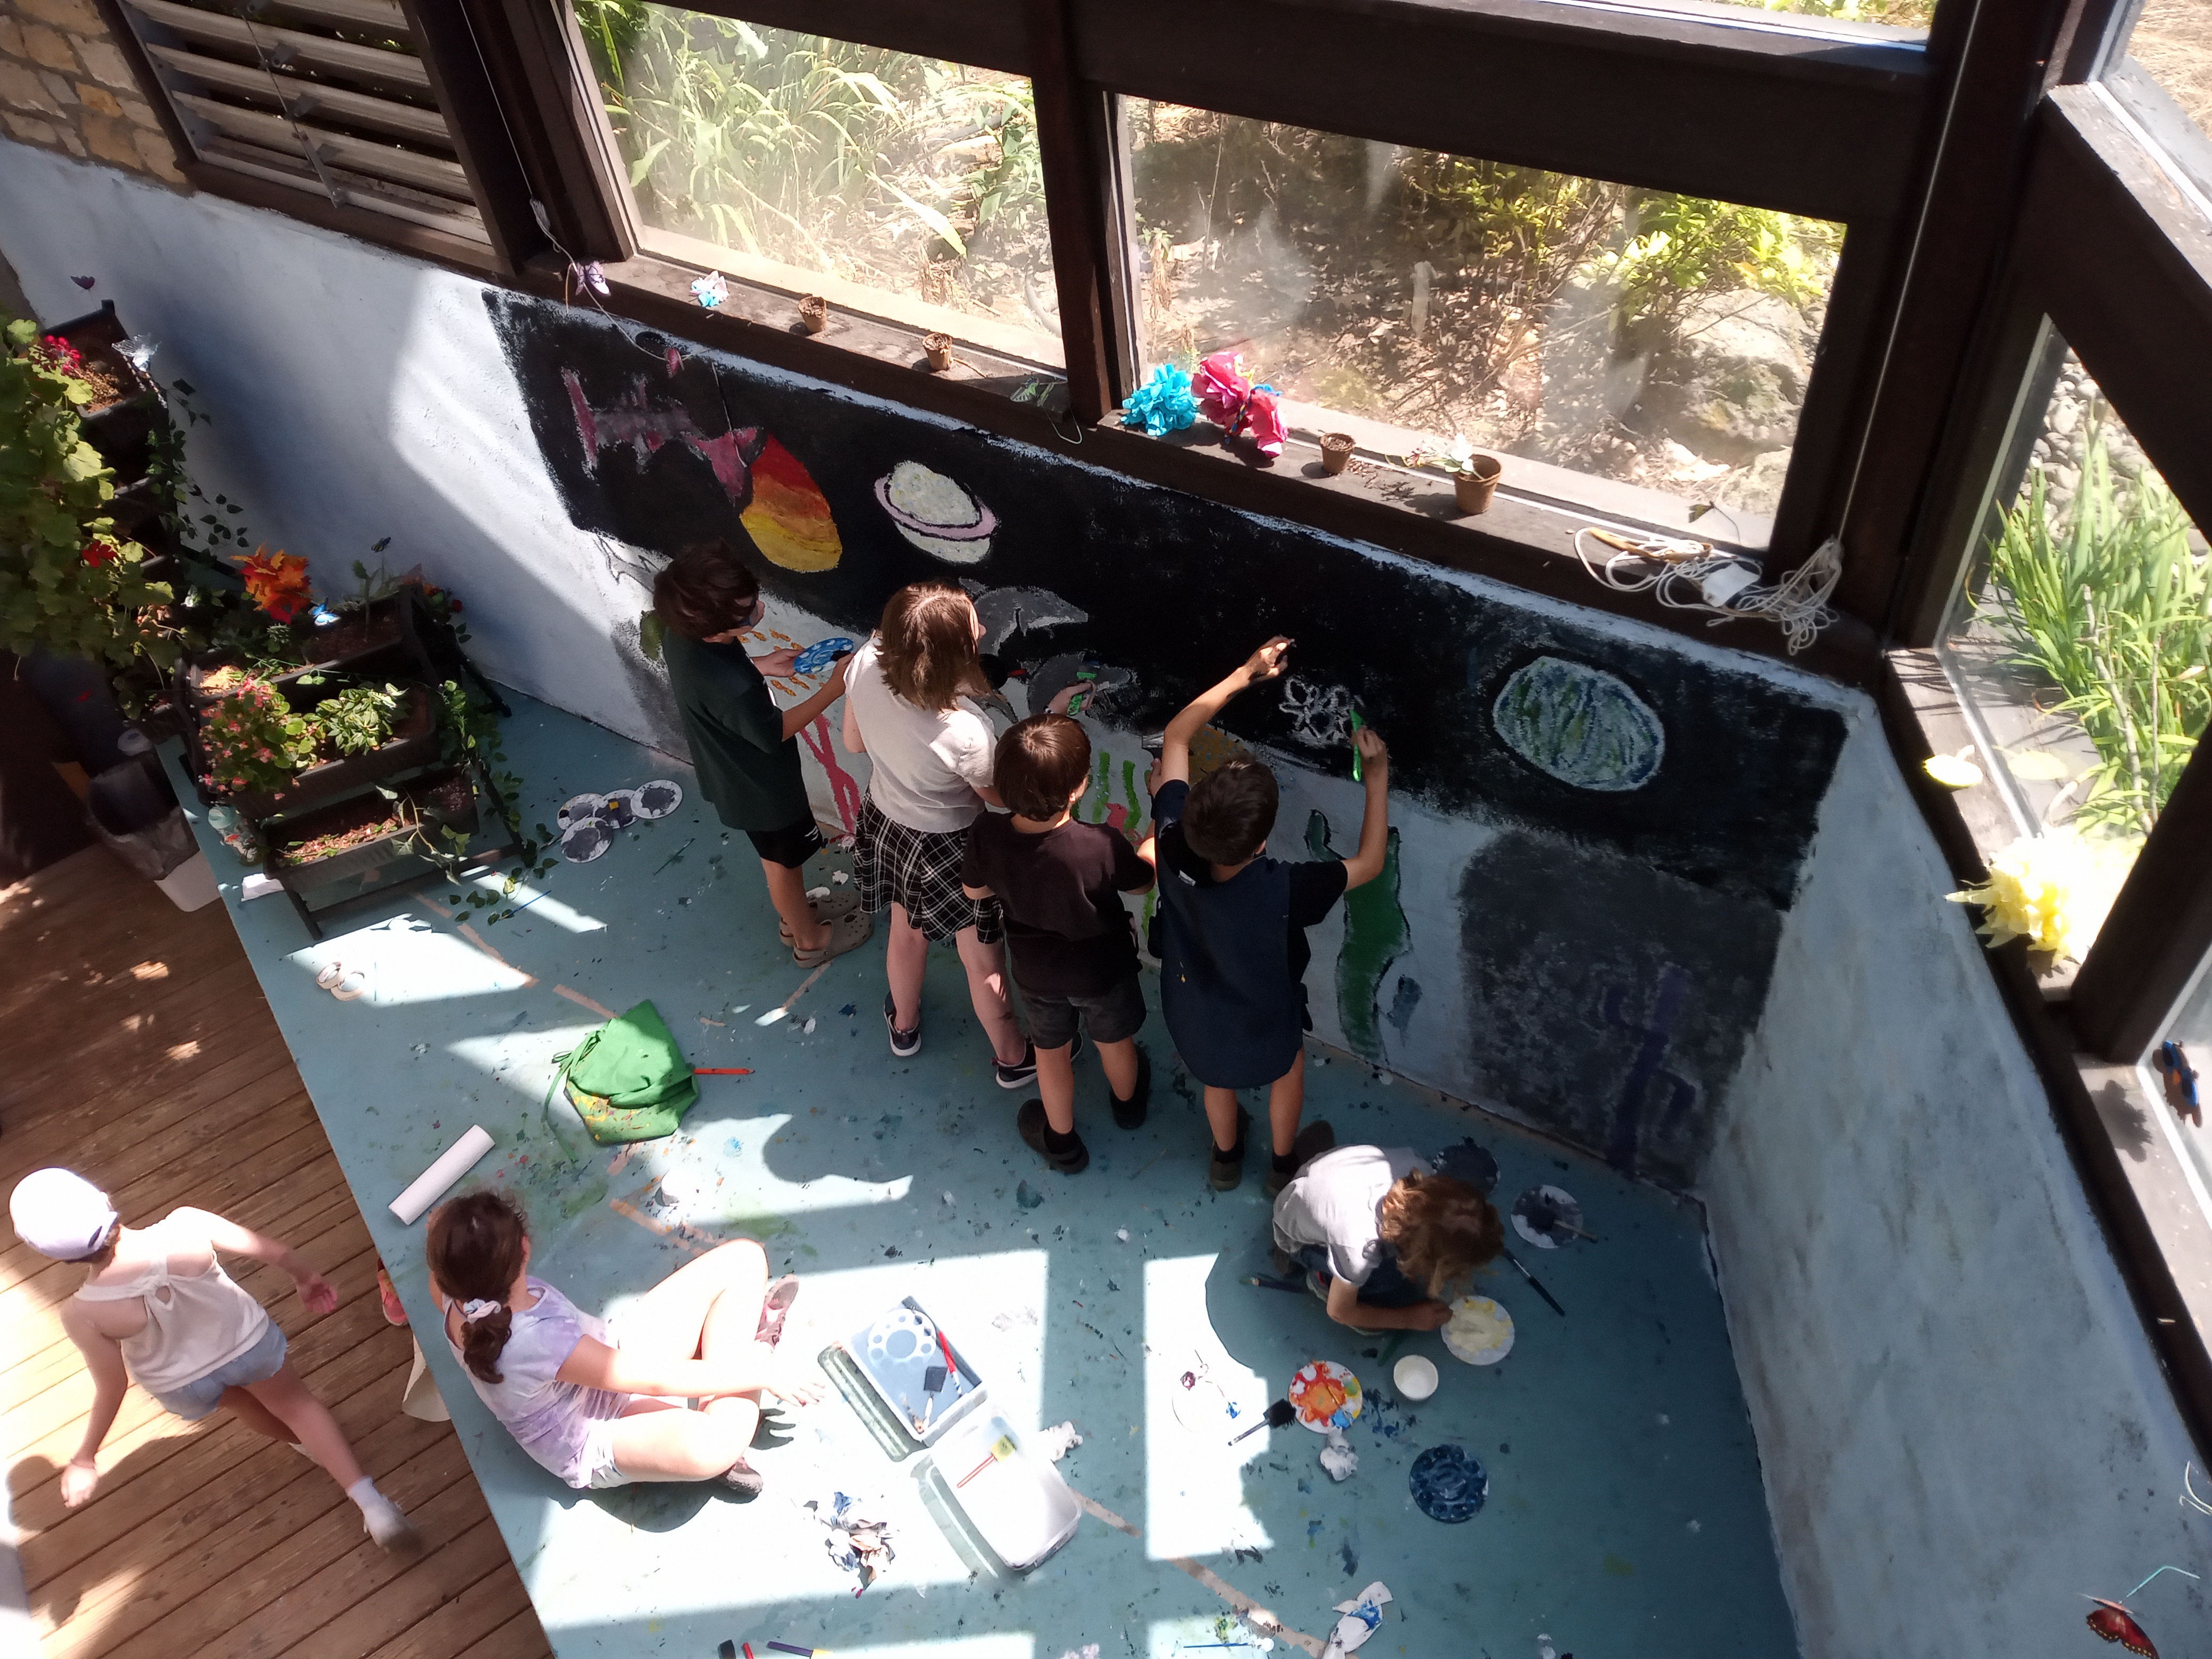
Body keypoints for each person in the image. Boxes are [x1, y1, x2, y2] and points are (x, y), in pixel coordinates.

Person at [10, 1167, 418, 1549]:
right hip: (245, 1343)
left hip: (182, 1381)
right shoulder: (186, 1224)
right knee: (295, 1405)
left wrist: (85, 1457)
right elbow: (270, 1251)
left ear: (56, 1257)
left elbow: (112, 1386)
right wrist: (305, 1277)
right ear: (102, 1197)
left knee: (242, 1404)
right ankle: (371, 1504)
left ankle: (306, 1447)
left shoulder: (81, 1313)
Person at [1148, 638, 1390, 1193]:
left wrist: (1241, 673)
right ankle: (1283, 1166)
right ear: (1259, 844)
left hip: (1193, 1017)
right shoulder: (1286, 888)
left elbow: (1176, 735)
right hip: (1264, 1022)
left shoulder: (1169, 840)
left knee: (1216, 1082)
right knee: (1287, 1071)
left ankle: (1226, 1158)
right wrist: (1375, 779)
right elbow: (1371, 864)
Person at [423, 1189, 820, 1495]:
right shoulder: (536, 1340)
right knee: (715, 1446)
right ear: (525, 1247)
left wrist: (447, 1237)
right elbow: (654, 1382)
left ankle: (716, 1401)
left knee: (744, 1259)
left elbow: (625, 1371)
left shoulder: (452, 1296)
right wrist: (758, 1370)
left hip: (606, 1355)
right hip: (593, 1432)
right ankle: (754, 1352)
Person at [842, 582, 1033, 1084]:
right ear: (954, 660)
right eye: (975, 630)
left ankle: (904, 1026)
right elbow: (995, 796)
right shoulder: (965, 730)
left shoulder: (864, 662)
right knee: (981, 958)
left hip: (890, 822)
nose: (985, 629)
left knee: (906, 932)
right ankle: (1013, 1057)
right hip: (953, 847)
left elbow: (853, 742)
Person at [655, 540, 870, 966]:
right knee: (782, 866)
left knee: (779, 860)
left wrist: (760, 664)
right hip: (763, 790)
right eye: (747, 611)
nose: (760, 610)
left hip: (732, 775)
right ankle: (809, 940)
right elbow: (776, 732)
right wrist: (834, 689)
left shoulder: (682, 635)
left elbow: (715, 682)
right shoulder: (733, 693)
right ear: (716, 626)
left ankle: (797, 917)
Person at [960, 712, 1157, 1174]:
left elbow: (975, 891)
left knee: (1051, 1054)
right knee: (1115, 1042)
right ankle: (1128, 1106)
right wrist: (1154, 834)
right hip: (1103, 972)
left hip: (1035, 973)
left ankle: (1063, 1143)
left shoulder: (987, 835)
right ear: (1079, 788)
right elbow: (1144, 883)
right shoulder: (1099, 846)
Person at [1271, 1145, 1501, 1330]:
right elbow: (1339, 1313)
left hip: (1319, 1177)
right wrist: (1408, 1319)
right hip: (1296, 1236)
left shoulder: (1420, 1168)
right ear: (1419, 1251)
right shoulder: (1359, 1247)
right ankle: (1322, 1280)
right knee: (1388, 1280)